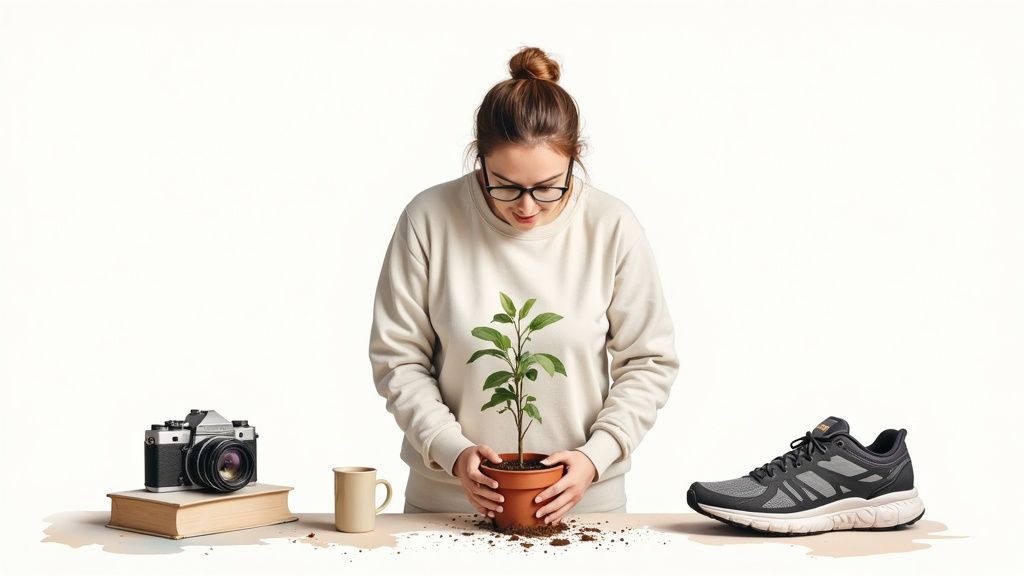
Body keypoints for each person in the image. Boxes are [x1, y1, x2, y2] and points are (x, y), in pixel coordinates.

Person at [368, 46, 679, 525]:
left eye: (550, 186)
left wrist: (596, 457)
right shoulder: (429, 219)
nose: (528, 207)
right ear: (480, 160)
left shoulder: (612, 225)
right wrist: (452, 452)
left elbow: (649, 361)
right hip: (445, 504)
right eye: (506, 185)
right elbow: (399, 359)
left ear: (576, 160)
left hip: (585, 507)